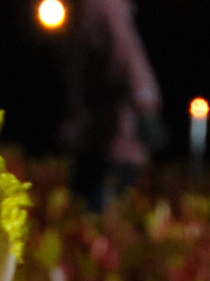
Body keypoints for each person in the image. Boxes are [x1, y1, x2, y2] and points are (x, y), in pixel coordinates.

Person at [59, 0, 161, 211]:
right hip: (91, 139)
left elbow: (128, 58)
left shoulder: (104, 4)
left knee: (104, 216)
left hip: (112, 144)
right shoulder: (82, 8)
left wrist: (146, 108)